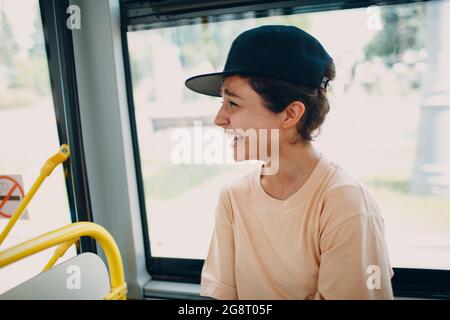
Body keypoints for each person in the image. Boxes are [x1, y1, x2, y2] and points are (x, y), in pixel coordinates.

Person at [185, 25, 394, 300]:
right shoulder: (233, 200)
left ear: (290, 114)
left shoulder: (345, 204)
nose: (219, 119)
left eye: (233, 103)